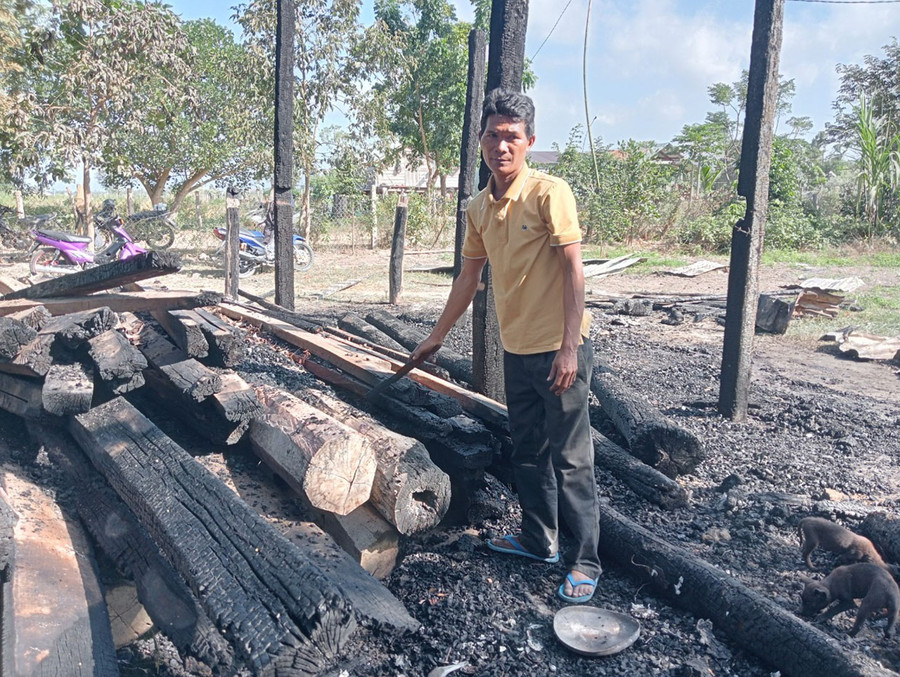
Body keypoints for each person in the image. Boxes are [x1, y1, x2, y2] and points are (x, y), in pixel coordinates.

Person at [411, 88, 602, 603]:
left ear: (529, 142)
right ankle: (539, 540)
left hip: (559, 349)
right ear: (480, 142)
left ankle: (584, 560)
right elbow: (468, 279)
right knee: (528, 452)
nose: (502, 145)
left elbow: (573, 270)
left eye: (512, 137)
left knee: (572, 459)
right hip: (516, 350)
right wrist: (434, 337)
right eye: (493, 135)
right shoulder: (477, 207)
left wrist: (568, 347)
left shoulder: (548, 192)